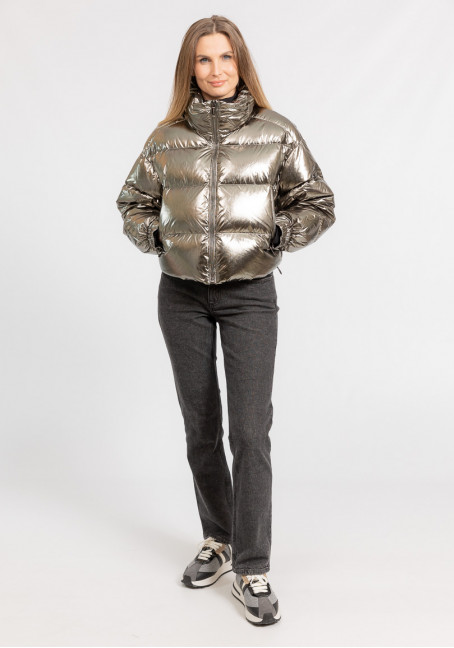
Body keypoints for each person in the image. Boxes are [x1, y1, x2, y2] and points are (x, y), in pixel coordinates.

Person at [115, 14, 335, 627]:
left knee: (250, 432)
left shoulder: (275, 132)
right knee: (201, 427)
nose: (216, 70)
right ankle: (219, 537)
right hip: (181, 296)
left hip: (249, 296)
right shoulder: (166, 138)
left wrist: (279, 234)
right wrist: (156, 237)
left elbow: (318, 201)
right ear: (190, 69)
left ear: (242, 64)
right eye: (205, 59)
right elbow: (133, 202)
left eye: (226, 58)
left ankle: (252, 567)